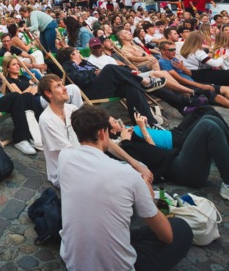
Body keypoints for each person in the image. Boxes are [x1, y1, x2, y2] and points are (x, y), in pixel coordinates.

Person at [58, 105, 193, 271]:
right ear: (102, 132)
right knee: (180, 229)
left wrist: (134, 164)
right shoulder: (127, 175)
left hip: (72, 262)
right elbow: (166, 236)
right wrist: (148, 196)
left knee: (126, 231)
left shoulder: (64, 158)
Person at [111, 109, 229, 211]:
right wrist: (125, 142)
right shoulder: (120, 149)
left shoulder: (131, 138)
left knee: (211, 118)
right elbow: (141, 167)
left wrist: (143, 131)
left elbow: (155, 150)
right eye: (116, 122)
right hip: (181, 171)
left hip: (176, 158)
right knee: (208, 126)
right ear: (110, 132)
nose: (121, 122)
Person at [37, 75, 150, 191]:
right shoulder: (47, 120)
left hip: (86, 162)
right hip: (67, 173)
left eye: (62, 84)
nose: (65, 88)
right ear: (49, 94)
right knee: (127, 179)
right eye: (58, 86)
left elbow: (102, 139)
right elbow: (71, 156)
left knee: (139, 169)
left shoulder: (72, 109)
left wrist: (134, 163)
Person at [54, 48, 160, 126]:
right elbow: (80, 79)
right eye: (77, 52)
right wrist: (95, 73)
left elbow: (98, 72)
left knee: (130, 87)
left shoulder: (84, 62)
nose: (79, 53)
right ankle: (143, 81)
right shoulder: (68, 65)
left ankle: (149, 123)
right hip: (90, 91)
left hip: (102, 87)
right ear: (72, 55)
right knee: (109, 68)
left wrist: (99, 73)